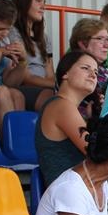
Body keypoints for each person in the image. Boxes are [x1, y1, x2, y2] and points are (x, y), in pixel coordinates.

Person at [35, 51, 97, 186]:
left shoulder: (63, 105)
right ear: (65, 74)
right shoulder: (62, 106)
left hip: (75, 187)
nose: (93, 75)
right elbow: (97, 152)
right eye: (85, 68)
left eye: (96, 72)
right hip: (67, 192)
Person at [10, 0, 55, 111]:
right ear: (24, 1)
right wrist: (57, 85)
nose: (43, 7)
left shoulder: (45, 38)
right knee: (54, 97)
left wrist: (57, 85)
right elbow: (26, 77)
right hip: (22, 87)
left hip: (44, 88)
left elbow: (50, 73)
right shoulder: (12, 33)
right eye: (38, 1)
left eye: (44, 2)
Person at [0, 0, 26, 136]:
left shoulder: (3, 41)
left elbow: (10, 82)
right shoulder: (0, 47)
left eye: (8, 29)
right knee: (3, 91)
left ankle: (18, 141)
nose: (4, 33)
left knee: (17, 95)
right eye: (0, 28)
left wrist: (22, 62)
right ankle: (8, 142)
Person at [69, 18, 108, 119]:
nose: (107, 45)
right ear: (83, 44)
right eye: (100, 39)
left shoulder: (104, 69)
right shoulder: (73, 68)